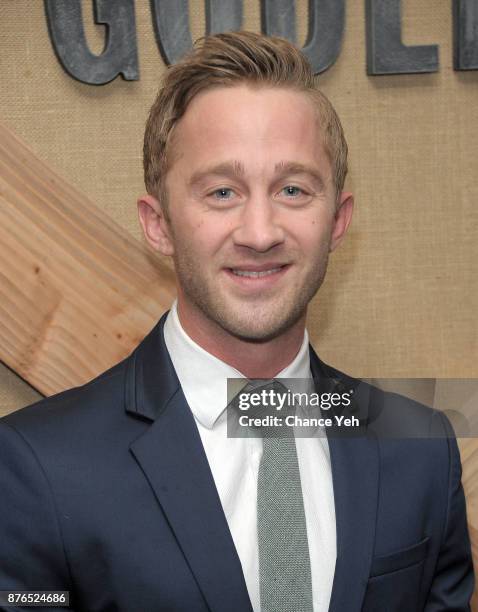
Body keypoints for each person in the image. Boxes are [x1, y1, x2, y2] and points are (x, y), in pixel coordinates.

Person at [0, 31, 473, 612]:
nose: (259, 232)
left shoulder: (420, 449)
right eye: (222, 192)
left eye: (293, 189)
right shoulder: (37, 466)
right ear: (159, 225)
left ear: (338, 220)